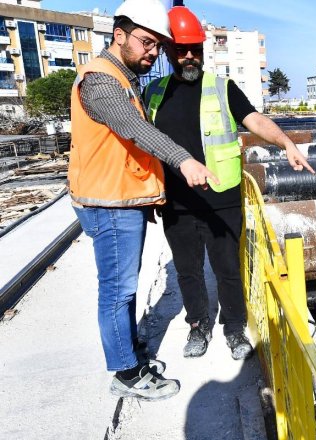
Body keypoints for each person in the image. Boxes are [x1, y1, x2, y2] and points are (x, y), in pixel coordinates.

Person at [144, 6, 314, 360]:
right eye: (181, 50)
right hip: (176, 202)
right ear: (169, 51)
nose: (189, 57)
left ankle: (234, 330)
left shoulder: (222, 88)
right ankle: (198, 326)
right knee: (188, 271)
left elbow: (254, 119)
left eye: (195, 50)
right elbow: (141, 141)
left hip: (221, 197)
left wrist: (286, 143)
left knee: (227, 270)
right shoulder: (154, 92)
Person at [70, 0, 218, 401]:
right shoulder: (101, 81)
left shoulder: (120, 77)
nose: (153, 53)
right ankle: (128, 373)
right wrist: (184, 159)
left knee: (124, 289)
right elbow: (134, 129)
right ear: (119, 35)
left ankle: (128, 354)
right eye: (147, 43)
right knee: (117, 292)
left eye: (157, 47)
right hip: (109, 203)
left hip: (118, 199)